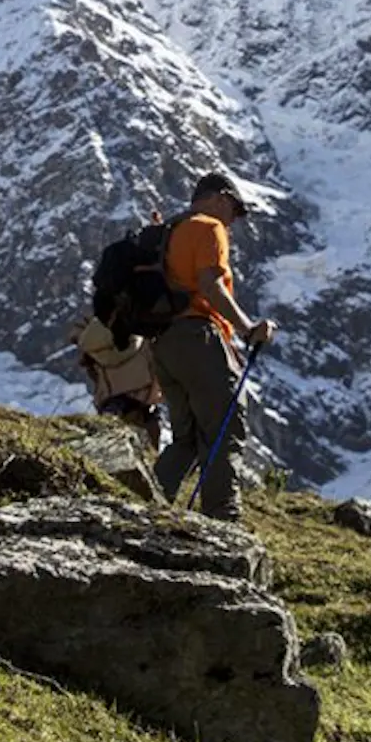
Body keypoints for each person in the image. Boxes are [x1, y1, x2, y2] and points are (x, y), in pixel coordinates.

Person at [149, 171, 276, 520]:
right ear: (219, 197)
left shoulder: (170, 230)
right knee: (225, 426)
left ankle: (146, 506)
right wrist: (248, 328)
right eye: (234, 209)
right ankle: (223, 520)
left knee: (186, 440)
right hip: (199, 339)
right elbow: (210, 284)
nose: (233, 220)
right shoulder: (208, 227)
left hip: (164, 345)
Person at [72, 313, 162, 446]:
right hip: (142, 405)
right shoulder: (148, 322)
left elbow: (85, 358)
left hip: (110, 400)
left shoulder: (93, 328)